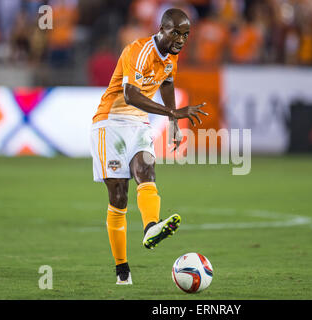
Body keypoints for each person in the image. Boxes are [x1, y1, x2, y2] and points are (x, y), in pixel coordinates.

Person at [90, 8, 208, 285]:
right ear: (162, 29)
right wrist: (177, 114)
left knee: (146, 169)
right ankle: (122, 269)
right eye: (176, 32)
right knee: (119, 195)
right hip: (111, 122)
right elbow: (131, 95)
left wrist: (174, 122)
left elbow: (167, 83)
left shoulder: (171, 58)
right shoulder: (139, 50)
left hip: (139, 123)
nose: (181, 39)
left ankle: (151, 227)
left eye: (186, 34)